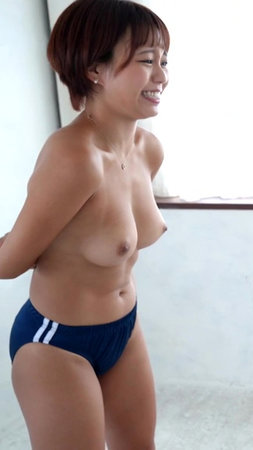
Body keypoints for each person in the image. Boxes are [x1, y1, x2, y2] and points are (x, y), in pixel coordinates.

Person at [0, 0, 169, 448]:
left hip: (123, 328)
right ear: (95, 69)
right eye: (146, 61)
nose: (162, 76)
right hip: (56, 344)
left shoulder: (148, 150)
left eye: (164, 61)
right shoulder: (73, 157)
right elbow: (8, 263)